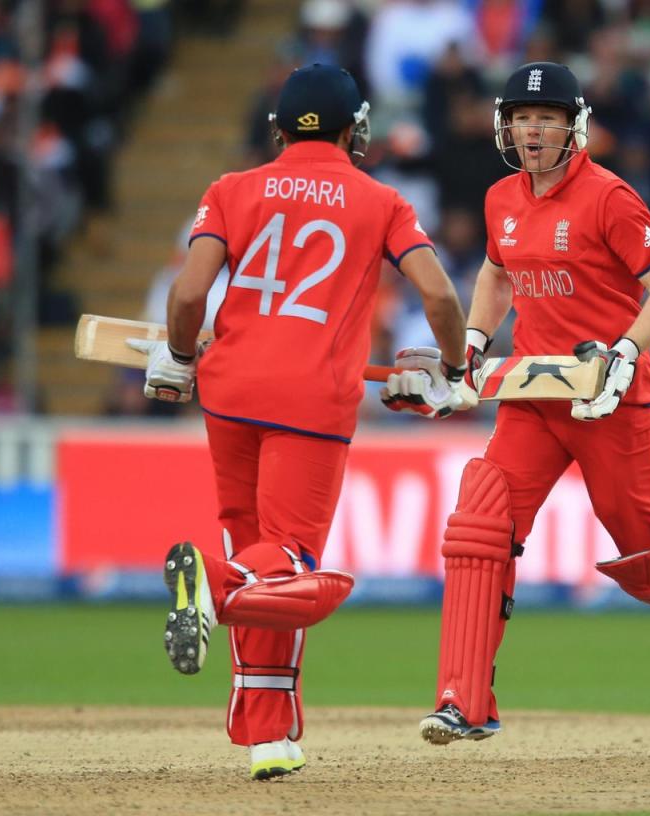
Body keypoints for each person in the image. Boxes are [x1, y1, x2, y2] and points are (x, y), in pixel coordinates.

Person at [381, 62, 650, 745]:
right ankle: (464, 700)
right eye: (522, 119)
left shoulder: (609, 198)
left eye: (547, 119)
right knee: (480, 522)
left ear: (574, 126)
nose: (532, 132)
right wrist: (472, 344)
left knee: (648, 561)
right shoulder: (502, 198)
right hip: (536, 393)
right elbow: (497, 273)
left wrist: (624, 354)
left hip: (609, 400)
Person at [130, 63, 467, 778]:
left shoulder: (230, 190)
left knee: (265, 562)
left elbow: (190, 293)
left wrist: (181, 357)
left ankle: (269, 736)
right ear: (355, 129)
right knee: (290, 564)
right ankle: (211, 586)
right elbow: (438, 295)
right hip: (311, 401)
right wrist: (453, 368)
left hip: (229, 393)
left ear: (279, 127)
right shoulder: (381, 200)